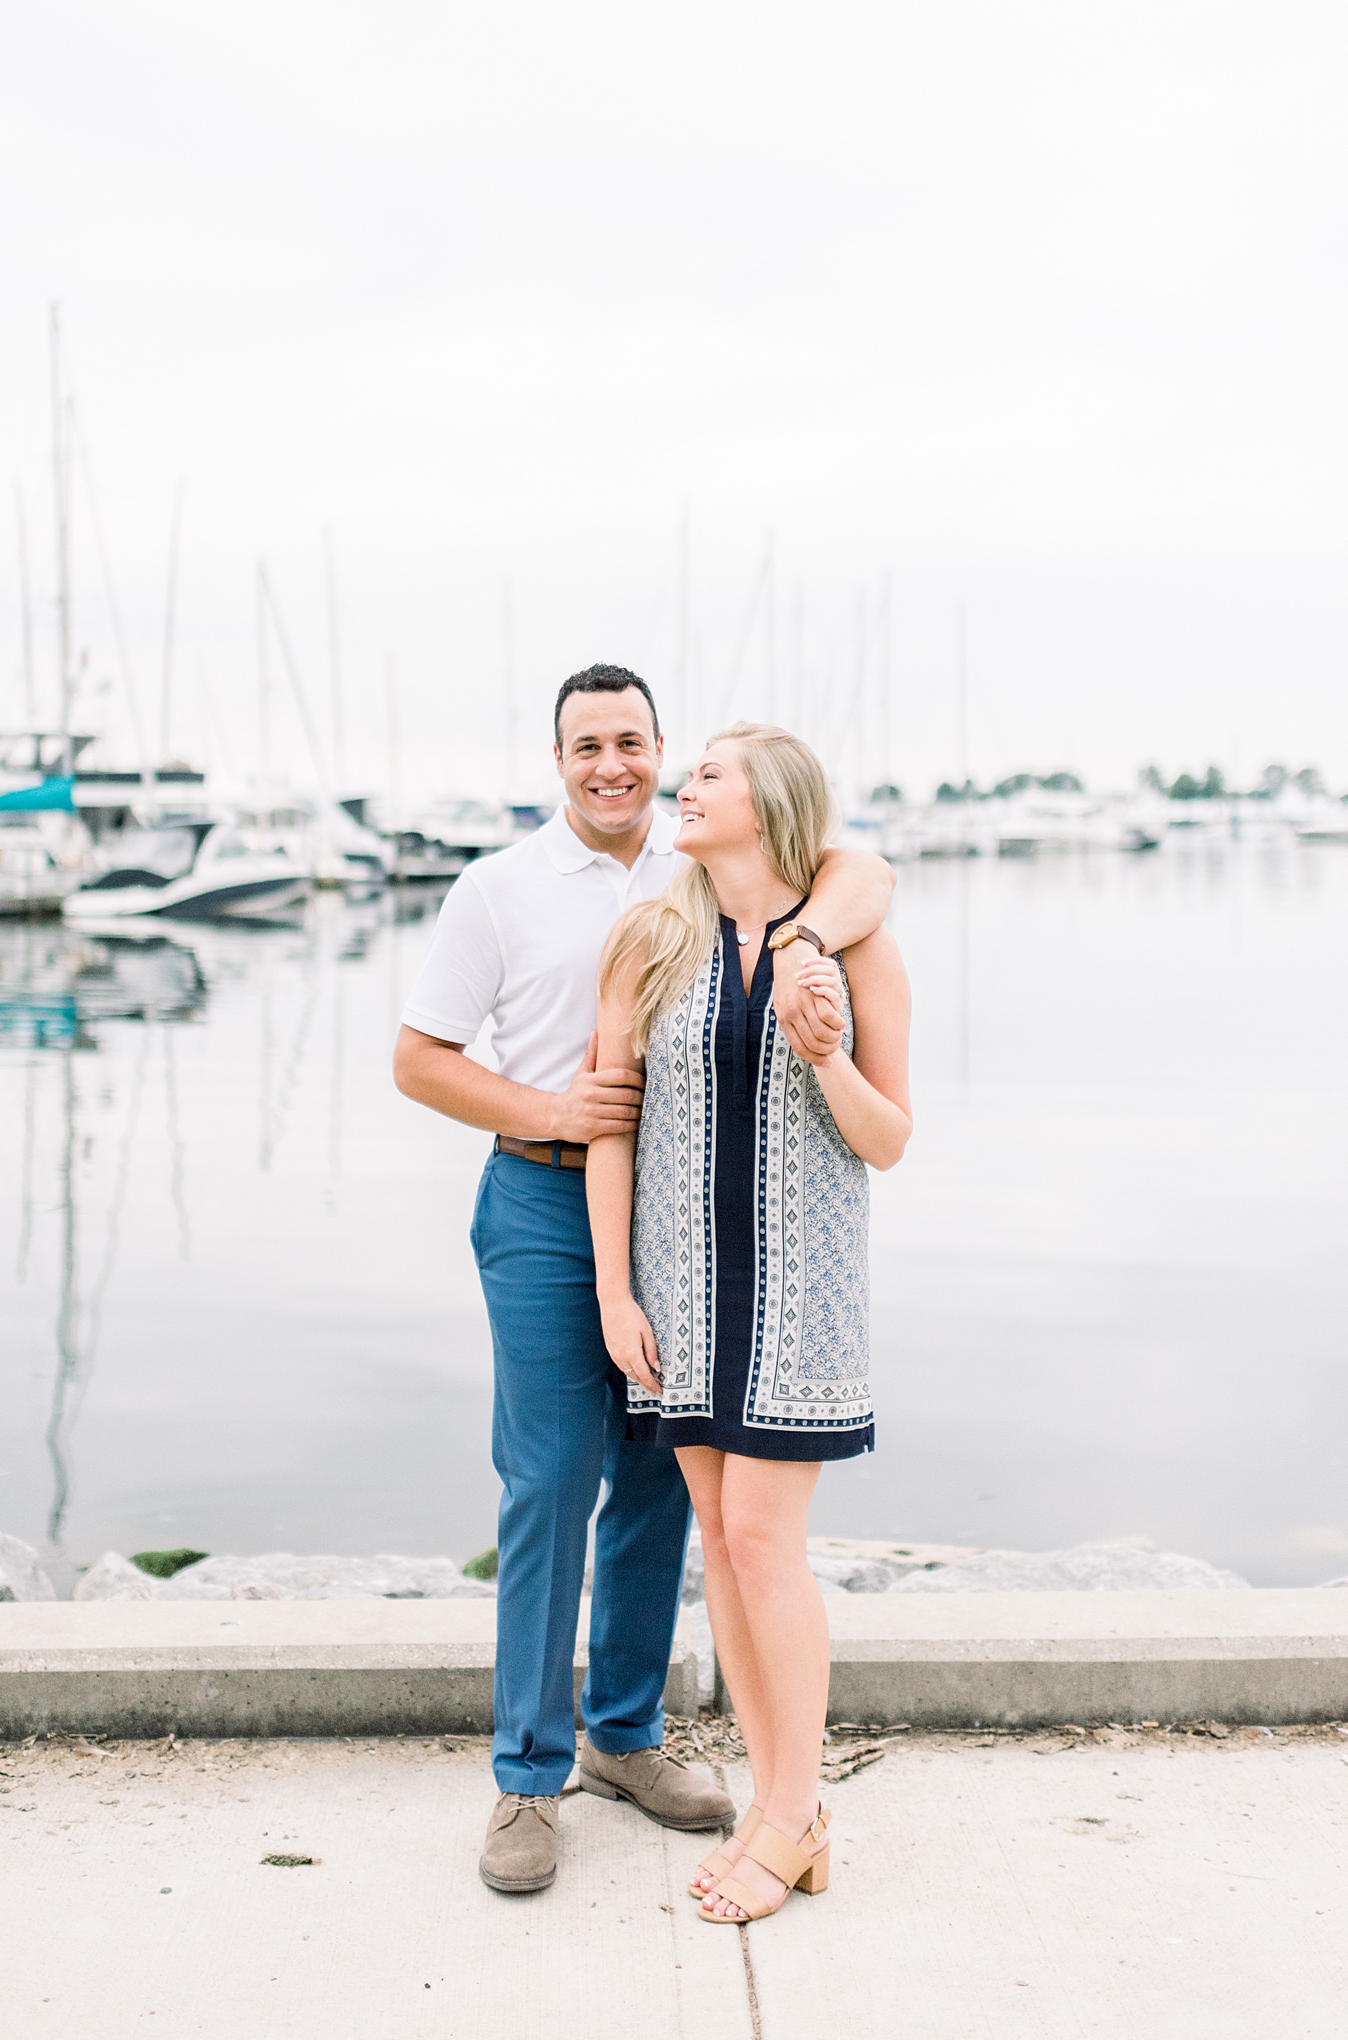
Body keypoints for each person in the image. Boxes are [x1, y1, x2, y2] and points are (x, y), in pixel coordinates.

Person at [394, 665, 896, 1895]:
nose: (610, 763)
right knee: (553, 1478)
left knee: (673, 1497)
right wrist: (554, 1105)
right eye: (585, 745)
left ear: (663, 754)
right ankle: (528, 1776)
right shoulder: (502, 889)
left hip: (694, 1225)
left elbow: (861, 872)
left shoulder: (721, 878)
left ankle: (624, 1738)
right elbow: (418, 1060)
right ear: (556, 760)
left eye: (632, 742)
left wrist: (813, 953)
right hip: (547, 1196)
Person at [588, 721, 912, 1927]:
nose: (686, 785)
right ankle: (790, 1812)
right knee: (718, 1545)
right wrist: (617, 1291)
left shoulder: (853, 944)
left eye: (711, 774)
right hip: (678, 1292)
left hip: (800, 1293)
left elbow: (888, 1139)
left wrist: (824, 1052)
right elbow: (611, 1125)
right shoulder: (648, 941)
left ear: (770, 804)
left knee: (767, 1544)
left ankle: (792, 1812)